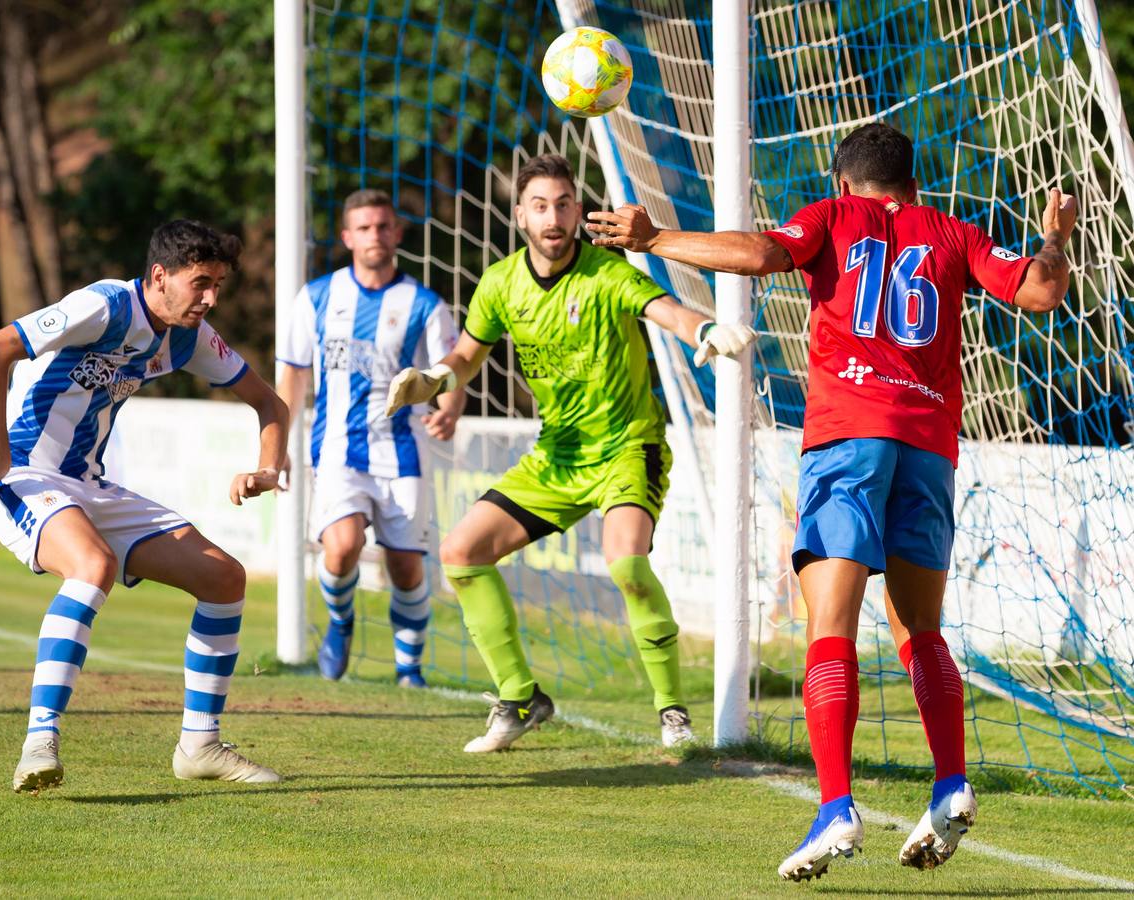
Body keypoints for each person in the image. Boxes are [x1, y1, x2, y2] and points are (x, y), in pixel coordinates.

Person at [586, 123, 1075, 880]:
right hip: (929, 446)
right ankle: (950, 781)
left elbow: (757, 255)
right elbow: (1040, 290)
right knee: (921, 628)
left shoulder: (830, 216)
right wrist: (1053, 237)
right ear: (911, 185)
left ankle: (836, 807)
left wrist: (654, 240)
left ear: (845, 183)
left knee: (831, 624)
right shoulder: (952, 231)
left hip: (849, 437)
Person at [385, 154, 755, 752]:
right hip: (555, 458)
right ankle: (520, 698)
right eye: (540, 205)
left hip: (627, 449)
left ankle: (673, 715)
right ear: (520, 216)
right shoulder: (501, 282)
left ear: (579, 212)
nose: (553, 216)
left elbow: (669, 312)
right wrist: (431, 381)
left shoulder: (608, 276)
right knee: (460, 552)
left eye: (563, 204)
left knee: (627, 564)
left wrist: (705, 332)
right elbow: (465, 358)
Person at [0, 220, 290, 793]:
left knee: (225, 578)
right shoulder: (104, 306)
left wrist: (267, 469)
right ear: (160, 276)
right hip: (27, 475)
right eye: (200, 283)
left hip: (89, 483)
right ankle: (40, 743)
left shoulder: (187, 336)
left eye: (219, 286)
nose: (210, 298)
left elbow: (269, 402)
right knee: (93, 566)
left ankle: (200, 746)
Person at [277, 189, 465, 686]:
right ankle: (340, 624)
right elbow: (293, 374)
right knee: (341, 547)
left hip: (403, 453)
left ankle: (410, 671)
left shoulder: (424, 304)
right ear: (347, 237)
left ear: (397, 233)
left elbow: (451, 372)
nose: (374, 236)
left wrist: (449, 411)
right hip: (338, 449)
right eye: (364, 228)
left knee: (405, 567)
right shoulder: (317, 297)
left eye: (383, 226)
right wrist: (277, 445)